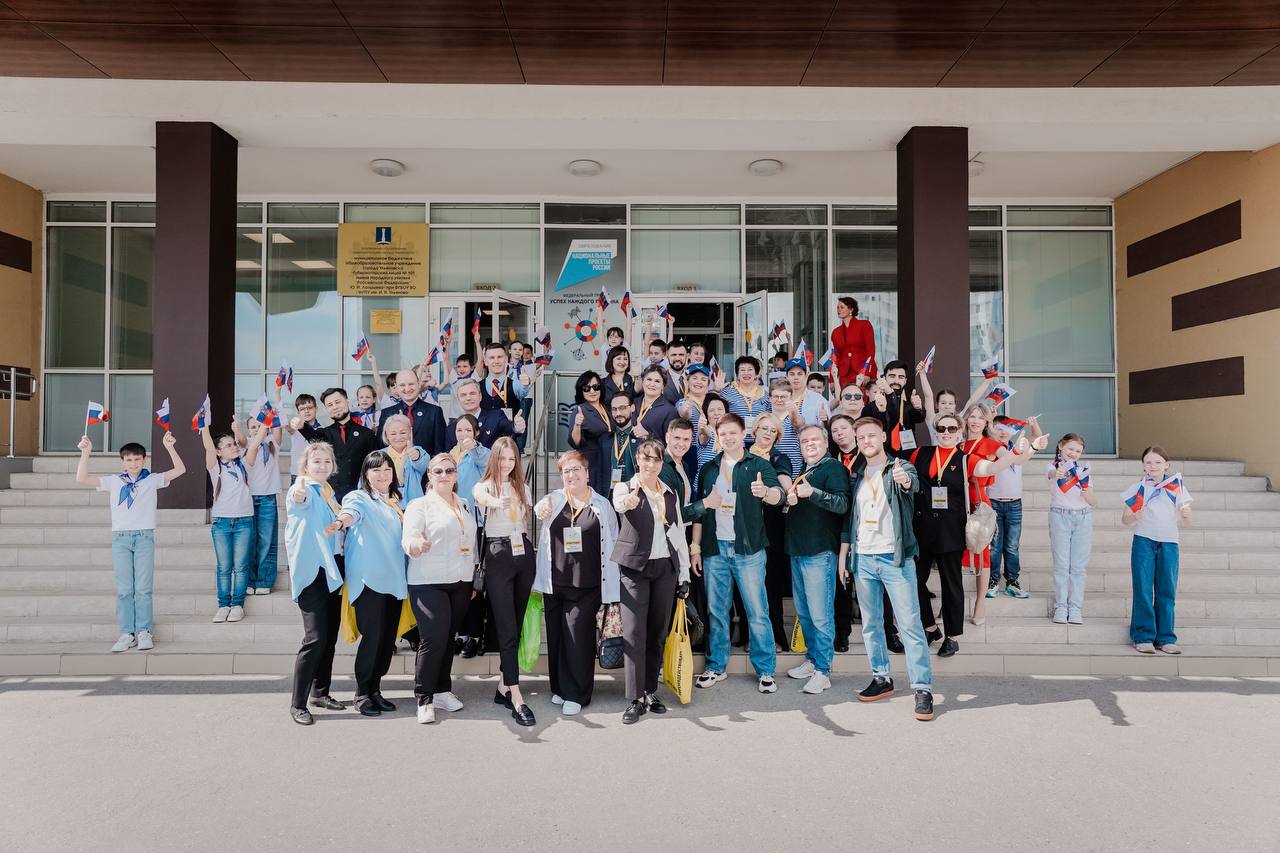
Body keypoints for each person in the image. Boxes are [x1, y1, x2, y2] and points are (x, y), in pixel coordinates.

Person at [837, 416, 934, 722]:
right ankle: (882, 678)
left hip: (894, 558)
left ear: (882, 437)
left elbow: (912, 484)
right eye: (861, 437)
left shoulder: (899, 467)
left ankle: (922, 688)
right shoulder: (856, 473)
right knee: (871, 624)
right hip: (864, 559)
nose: (866, 441)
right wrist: (846, 555)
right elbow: (851, 518)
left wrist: (905, 480)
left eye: (871, 435)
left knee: (910, 625)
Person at [909, 413, 1030, 657]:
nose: (946, 432)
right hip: (922, 529)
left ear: (959, 431)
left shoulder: (966, 459)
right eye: (941, 428)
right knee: (913, 581)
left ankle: (952, 637)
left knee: (951, 584)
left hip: (951, 530)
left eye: (952, 428)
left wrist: (1016, 452)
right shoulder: (920, 453)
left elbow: (993, 467)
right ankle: (930, 627)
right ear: (935, 430)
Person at [690, 414, 785, 694]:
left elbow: (779, 496)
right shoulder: (709, 469)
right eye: (723, 434)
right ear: (718, 437)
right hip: (714, 549)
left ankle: (765, 670)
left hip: (748, 550)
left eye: (733, 432)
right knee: (717, 611)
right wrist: (695, 547)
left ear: (744, 434)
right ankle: (716, 666)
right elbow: (700, 511)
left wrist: (765, 492)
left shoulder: (759, 465)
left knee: (757, 611)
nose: (728, 438)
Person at [76, 430, 185, 654]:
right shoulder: (114, 481)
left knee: (143, 588)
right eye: (129, 460)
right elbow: (82, 479)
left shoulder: (151, 479)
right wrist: (86, 453)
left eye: (137, 459)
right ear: (122, 461)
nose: (133, 463)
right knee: (125, 590)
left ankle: (144, 631)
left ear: (144, 460)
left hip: (144, 536)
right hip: (121, 539)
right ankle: (127, 633)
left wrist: (170, 447)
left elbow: (180, 470)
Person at [533, 451, 621, 715]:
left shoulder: (602, 505)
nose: (571, 475)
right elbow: (539, 509)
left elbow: (614, 541)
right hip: (555, 582)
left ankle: (578, 693)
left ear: (587, 472)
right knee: (557, 637)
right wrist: (540, 508)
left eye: (576, 469)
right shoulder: (554, 500)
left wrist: (614, 585)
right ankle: (560, 688)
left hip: (587, 586)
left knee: (577, 638)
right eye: (566, 471)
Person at [612, 439, 692, 724]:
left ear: (661, 463)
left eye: (656, 459)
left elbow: (679, 533)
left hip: (665, 568)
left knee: (657, 632)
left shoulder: (669, 493)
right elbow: (619, 503)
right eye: (646, 458)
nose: (651, 464)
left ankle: (649, 691)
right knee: (635, 633)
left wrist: (684, 573)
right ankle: (634, 698)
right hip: (635, 569)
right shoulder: (626, 487)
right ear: (638, 460)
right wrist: (628, 502)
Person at [329, 451, 409, 716]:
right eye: (376, 470)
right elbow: (350, 514)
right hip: (369, 580)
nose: (382, 474)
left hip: (394, 580)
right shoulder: (359, 497)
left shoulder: (396, 501)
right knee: (373, 639)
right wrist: (340, 522)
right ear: (366, 474)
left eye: (387, 469)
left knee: (386, 640)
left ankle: (375, 690)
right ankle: (362, 693)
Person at [402, 453, 479, 725]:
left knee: (448, 638)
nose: (444, 475)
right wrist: (416, 546)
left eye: (449, 470)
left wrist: (472, 578)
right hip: (427, 580)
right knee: (433, 638)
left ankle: (442, 691)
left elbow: (471, 541)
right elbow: (409, 538)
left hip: (460, 581)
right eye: (438, 471)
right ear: (430, 476)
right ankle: (424, 697)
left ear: (456, 475)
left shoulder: (465, 503)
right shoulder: (419, 505)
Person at [471, 437, 537, 727]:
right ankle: (516, 696)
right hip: (498, 553)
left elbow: (526, 520)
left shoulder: (523, 486)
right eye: (502, 458)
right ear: (494, 458)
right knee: (507, 628)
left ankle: (503, 685)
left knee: (517, 625)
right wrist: (497, 501)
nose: (507, 464)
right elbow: (483, 499)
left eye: (512, 459)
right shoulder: (484, 486)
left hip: (522, 552)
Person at [783, 424, 850, 694]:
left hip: (820, 552)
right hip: (798, 550)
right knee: (806, 613)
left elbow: (843, 504)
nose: (809, 444)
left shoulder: (833, 468)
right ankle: (812, 660)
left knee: (821, 615)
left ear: (825, 442)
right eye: (804, 441)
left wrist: (814, 493)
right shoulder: (805, 469)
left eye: (814, 440)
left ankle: (823, 670)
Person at [283, 442, 347, 725]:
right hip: (313, 572)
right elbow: (299, 501)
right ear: (306, 465)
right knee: (315, 637)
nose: (322, 466)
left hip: (333, 570)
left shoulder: (328, 493)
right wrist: (299, 491)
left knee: (329, 637)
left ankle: (320, 693)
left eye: (326, 461)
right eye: (316, 461)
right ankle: (298, 703)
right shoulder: (304, 489)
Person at [1123, 445, 1193, 655]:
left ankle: (1165, 638)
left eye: (1158, 462)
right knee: (1143, 589)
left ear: (1166, 465)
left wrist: (1187, 515)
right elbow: (1125, 519)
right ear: (1143, 466)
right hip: (1144, 541)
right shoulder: (1139, 488)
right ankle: (1143, 636)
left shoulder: (1176, 487)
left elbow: (1187, 521)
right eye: (1148, 462)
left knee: (1166, 590)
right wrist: (1135, 515)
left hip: (1169, 543)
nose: (1153, 466)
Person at [961, 402, 1024, 625]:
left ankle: (980, 603)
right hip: (956, 502)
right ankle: (953, 602)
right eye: (972, 416)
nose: (975, 421)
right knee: (953, 556)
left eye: (981, 417)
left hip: (979, 503)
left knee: (981, 554)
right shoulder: (958, 442)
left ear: (987, 421)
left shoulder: (992, 444)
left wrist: (1030, 448)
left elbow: (1015, 459)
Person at [986, 414, 1045, 599]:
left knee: (1012, 546)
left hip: (1014, 505)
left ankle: (1012, 581)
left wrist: (1034, 424)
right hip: (994, 503)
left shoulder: (1019, 446)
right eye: (999, 428)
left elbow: (1037, 437)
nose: (1003, 432)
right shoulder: (990, 448)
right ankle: (992, 581)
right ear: (991, 429)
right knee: (995, 546)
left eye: (1008, 428)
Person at [200, 422, 254, 624]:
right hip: (222, 523)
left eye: (234, 444)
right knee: (224, 567)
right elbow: (208, 448)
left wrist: (264, 424)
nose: (234, 447)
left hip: (244, 521)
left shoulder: (244, 464)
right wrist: (204, 426)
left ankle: (237, 604)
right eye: (228, 445)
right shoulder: (216, 468)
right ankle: (223, 605)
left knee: (240, 566)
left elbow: (254, 444)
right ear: (219, 451)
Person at [751, 411, 796, 650]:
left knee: (770, 583)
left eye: (773, 431)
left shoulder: (780, 458)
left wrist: (789, 492)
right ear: (755, 431)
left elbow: (785, 480)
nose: (768, 433)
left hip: (771, 527)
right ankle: (749, 636)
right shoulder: (742, 453)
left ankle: (775, 636)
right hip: (744, 525)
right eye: (764, 428)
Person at [1047, 433, 1098, 625]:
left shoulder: (1084, 472)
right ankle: (1061, 606)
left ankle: (1075, 607)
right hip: (1060, 516)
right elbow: (1052, 474)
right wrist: (1058, 473)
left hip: (1083, 517)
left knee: (1078, 566)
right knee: (1061, 564)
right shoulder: (1053, 467)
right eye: (1070, 448)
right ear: (1061, 446)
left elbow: (1093, 501)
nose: (1073, 453)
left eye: (1078, 451)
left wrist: (1087, 495)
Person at [297, 388, 382, 499]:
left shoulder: (366, 433)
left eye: (337, 402)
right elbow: (312, 436)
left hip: (360, 496)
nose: (335, 407)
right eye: (330, 405)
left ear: (347, 402)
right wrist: (302, 426)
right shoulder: (324, 434)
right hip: (331, 497)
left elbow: (376, 465)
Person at [239, 417, 281, 596]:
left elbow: (278, 429)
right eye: (253, 427)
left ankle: (264, 580)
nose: (257, 429)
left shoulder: (272, 443)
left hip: (267, 497)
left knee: (266, 539)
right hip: (247, 498)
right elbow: (242, 439)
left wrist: (272, 414)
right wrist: (236, 429)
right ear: (248, 430)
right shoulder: (245, 444)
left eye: (260, 425)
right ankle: (249, 579)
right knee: (249, 539)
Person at [375, 369, 448, 460]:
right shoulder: (387, 413)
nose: (407, 389)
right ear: (396, 387)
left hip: (427, 467)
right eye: (402, 385)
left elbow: (440, 448)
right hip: (395, 467)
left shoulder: (434, 412)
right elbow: (381, 446)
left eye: (411, 384)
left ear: (418, 384)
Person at [568, 370, 613, 498]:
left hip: (609, 461)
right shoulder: (580, 410)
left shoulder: (607, 408)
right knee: (594, 499)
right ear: (581, 391)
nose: (592, 391)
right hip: (592, 463)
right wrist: (577, 425)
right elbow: (575, 442)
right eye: (587, 388)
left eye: (595, 387)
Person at [871, 360, 925, 455]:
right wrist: (889, 395)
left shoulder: (907, 405)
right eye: (892, 376)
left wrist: (918, 408)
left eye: (901, 377)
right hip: (881, 456)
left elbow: (920, 418)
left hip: (907, 457)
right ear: (884, 378)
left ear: (905, 381)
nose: (896, 381)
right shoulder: (873, 406)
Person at [448, 378, 518, 448]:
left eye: (472, 393)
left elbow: (510, 429)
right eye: (463, 395)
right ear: (458, 399)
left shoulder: (496, 417)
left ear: (480, 396)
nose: (468, 398)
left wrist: (517, 426)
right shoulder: (451, 428)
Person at [380, 413, 428, 508]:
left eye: (403, 433)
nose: (398, 437)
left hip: (414, 506)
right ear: (386, 435)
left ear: (410, 433)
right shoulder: (379, 455)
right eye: (393, 433)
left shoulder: (417, 451)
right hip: (386, 505)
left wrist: (415, 457)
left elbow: (423, 464)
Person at [719, 356, 770, 438]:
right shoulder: (726, 393)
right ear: (737, 374)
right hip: (735, 440)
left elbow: (770, 418)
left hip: (759, 440)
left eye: (750, 369)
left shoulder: (764, 395)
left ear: (756, 373)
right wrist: (717, 390)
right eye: (742, 370)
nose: (746, 373)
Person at [831, 296, 877, 387]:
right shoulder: (836, 332)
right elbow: (835, 357)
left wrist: (867, 372)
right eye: (837, 307)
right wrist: (832, 379)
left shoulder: (864, 325)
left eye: (842, 307)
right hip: (844, 375)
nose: (839, 310)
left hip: (862, 372)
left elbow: (871, 351)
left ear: (851, 309)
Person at [766, 379, 804, 476]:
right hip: (770, 472)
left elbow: (798, 424)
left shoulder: (795, 417)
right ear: (770, 398)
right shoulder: (765, 419)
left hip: (793, 472)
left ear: (790, 398)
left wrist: (794, 412)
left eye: (783, 397)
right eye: (776, 396)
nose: (779, 400)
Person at [633, 365, 679, 441]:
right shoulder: (634, 402)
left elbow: (670, 442)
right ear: (643, 381)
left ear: (663, 386)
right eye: (649, 379)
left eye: (657, 381)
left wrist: (649, 436)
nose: (652, 384)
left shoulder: (670, 411)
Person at [606, 393, 640, 487]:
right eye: (614, 409)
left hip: (635, 491)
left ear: (632, 408)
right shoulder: (605, 440)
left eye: (622, 408)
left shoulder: (641, 438)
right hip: (611, 493)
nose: (618, 413)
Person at [784, 359, 828, 426]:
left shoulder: (818, 399)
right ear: (786, 377)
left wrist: (825, 421)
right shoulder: (779, 398)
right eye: (792, 374)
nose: (796, 377)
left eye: (800, 374)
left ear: (806, 376)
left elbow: (827, 428)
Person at [694, 393, 727, 471]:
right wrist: (702, 428)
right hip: (707, 477)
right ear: (706, 414)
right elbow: (706, 434)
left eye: (720, 409)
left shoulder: (731, 433)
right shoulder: (705, 432)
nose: (716, 413)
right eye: (712, 410)